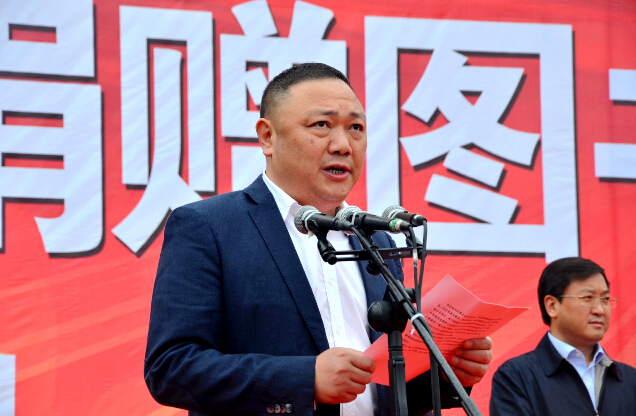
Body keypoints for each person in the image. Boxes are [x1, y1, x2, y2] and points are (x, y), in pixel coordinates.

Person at [144, 62, 493, 416]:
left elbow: (385, 390)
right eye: (322, 125)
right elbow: (170, 366)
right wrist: (305, 379)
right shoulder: (210, 227)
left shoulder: (375, 240)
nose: (343, 145)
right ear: (267, 137)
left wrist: (446, 374)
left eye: (356, 128)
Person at [490, 257, 636, 415]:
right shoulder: (515, 377)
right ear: (552, 306)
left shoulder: (631, 379)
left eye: (605, 299)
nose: (600, 310)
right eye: (588, 298)